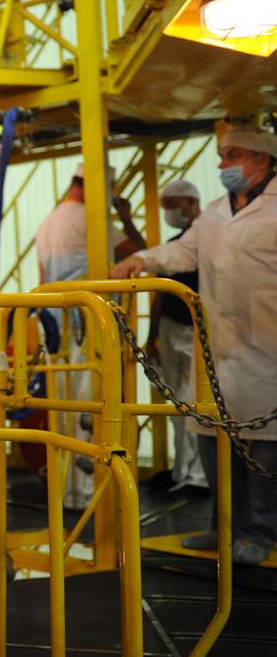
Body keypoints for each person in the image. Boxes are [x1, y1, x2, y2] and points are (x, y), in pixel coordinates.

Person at [114, 126, 277, 566]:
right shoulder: (214, 213)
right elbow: (183, 253)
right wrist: (143, 260)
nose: (223, 164)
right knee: (212, 438)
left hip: (268, 348)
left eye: (233, 155)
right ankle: (221, 526)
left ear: (262, 160)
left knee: (263, 447)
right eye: (222, 155)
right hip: (217, 350)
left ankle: (259, 531)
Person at [35, 161, 144, 509]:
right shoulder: (91, 219)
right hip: (87, 328)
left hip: (55, 327)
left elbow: (41, 275)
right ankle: (86, 495)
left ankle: (67, 492)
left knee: (63, 410)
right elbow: (139, 250)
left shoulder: (48, 222)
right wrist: (124, 216)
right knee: (89, 409)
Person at [144, 180, 207, 495]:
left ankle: (198, 477)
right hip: (171, 327)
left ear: (190, 202)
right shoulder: (172, 247)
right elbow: (159, 294)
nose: (168, 212)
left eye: (171, 205)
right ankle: (182, 470)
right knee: (176, 403)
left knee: (199, 403)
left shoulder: (210, 241)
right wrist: (151, 335)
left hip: (200, 330)